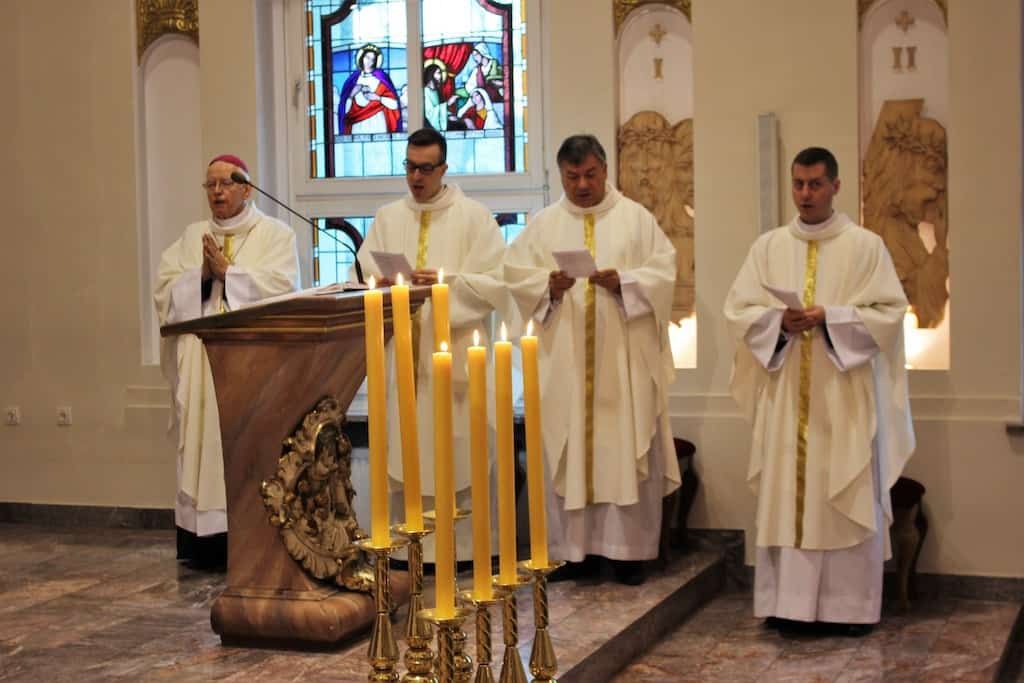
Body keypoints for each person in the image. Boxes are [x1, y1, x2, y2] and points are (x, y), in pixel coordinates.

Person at [724, 147, 915, 635]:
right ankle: (787, 605)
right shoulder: (768, 247)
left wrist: (831, 317)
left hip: (843, 398)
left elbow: (890, 313)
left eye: (814, 184)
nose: (805, 194)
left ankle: (848, 610)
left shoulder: (866, 246)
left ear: (835, 186)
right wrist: (778, 323)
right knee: (787, 496)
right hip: (786, 396)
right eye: (798, 184)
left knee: (842, 496)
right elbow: (739, 310)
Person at [503, 134, 680, 585]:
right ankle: (571, 553)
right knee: (568, 453)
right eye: (572, 177)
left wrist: (625, 283)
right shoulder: (544, 225)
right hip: (564, 366)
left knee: (622, 449)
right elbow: (514, 278)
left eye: (590, 175)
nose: (582, 185)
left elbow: (664, 273)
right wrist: (547, 287)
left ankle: (627, 555)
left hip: (622, 366)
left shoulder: (635, 219)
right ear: (561, 175)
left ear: (605, 170)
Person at [356, 127, 507, 563]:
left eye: (425, 169)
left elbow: (496, 283)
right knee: (405, 448)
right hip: (403, 359)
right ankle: (407, 554)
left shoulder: (474, 218)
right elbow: (363, 275)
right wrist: (384, 286)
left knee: (457, 451)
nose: (416, 178)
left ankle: (462, 554)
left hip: (454, 361)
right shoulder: (388, 218)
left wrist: (443, 285)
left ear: (444, 169)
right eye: (409, 167)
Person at [154, 154, 301, 569]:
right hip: (200, 363)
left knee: (246, 446)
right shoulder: (192, 236)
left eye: (226, 184)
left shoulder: (276, 235)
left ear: (247, 189)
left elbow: (283, 288)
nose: (217, 192)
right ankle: (204, 543)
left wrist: (229, 273)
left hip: (252, 362)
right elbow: (164, 290)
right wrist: (202, 276)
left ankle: (251, 538)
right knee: (201, 447)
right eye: (211, 185)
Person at [339, 43, 403, 135]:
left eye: (373, 59)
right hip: (357, 125)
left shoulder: (382, 79)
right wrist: (351, 95)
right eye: (367, 58)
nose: (369, 62)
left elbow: (395, 105)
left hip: (378, 122)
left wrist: (378, 98)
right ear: (361, 58)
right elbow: (344, 111)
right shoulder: (353, 80)